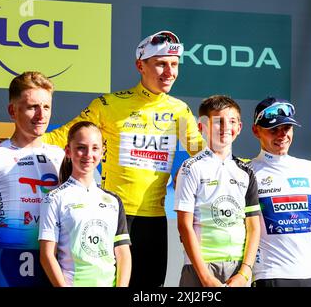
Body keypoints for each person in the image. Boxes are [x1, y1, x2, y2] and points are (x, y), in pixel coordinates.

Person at [41, 30, 205, 286]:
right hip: (111, 215)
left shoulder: (179, 110)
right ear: (140, 65)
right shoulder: (108, 105)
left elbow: (206, 157)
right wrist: (10, 142)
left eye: (174, 65)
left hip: (154, 219)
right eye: (161, 63)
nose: (169, 72)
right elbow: (61, 136)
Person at [0, 71, 64, 287]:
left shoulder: (61, 156)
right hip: (7, 266)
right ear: (12, 111)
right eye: (32, 107)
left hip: (55, 266)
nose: (40, 115)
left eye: (46, 107)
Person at [248, 96, 311, 287]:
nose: (282, 135)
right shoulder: (247, 172)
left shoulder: (309, 169)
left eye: (287, 128)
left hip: (309, 275)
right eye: (273, 129)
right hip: (269, 275)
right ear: (256, 131)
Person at [174, 95, 261, 287]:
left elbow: (254, 227)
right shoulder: (190, 167)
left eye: (231, 121)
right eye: (218, 122)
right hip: (200, 268)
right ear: (201, 127)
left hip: (237, 270)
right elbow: (184, 226)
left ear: (239, 127)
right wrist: (206, 278)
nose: (225, 128)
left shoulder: (246, 172)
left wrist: (244, 273)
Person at [39, 121, 131, 287]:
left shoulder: (113, 200)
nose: (89, 154)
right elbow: (47, 255)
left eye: (95, 148)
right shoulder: (54, 199)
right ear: (68, 151)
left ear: (102, 152)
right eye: (81, 147)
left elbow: (123, 253)